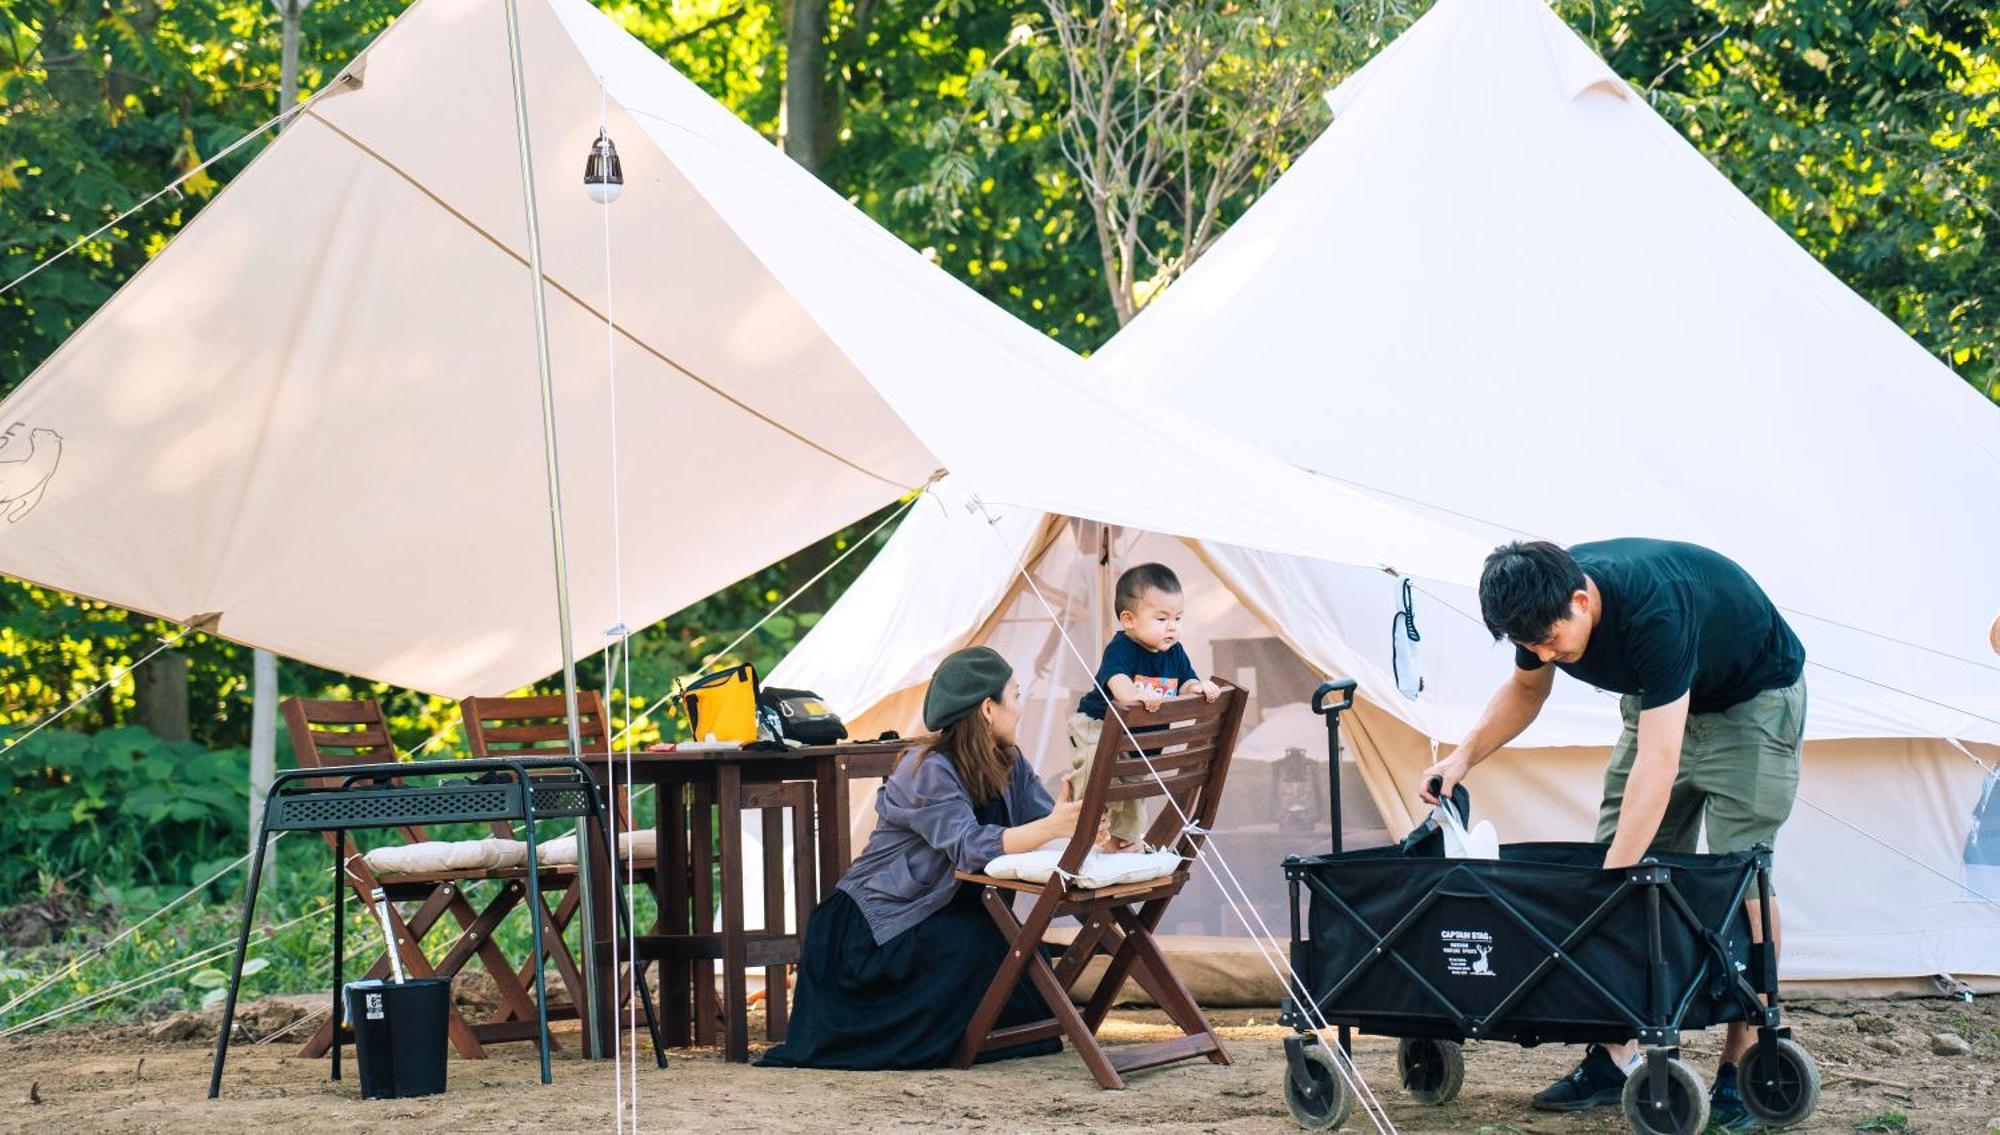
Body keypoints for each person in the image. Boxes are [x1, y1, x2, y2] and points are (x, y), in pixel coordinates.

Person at [1420, 539, 1806, 1131]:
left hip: (1751, 705)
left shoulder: (1656, 610)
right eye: (1531, 646)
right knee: (1618, 864)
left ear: (1581, 600)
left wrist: (1615, 876)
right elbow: (1527, 691)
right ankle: (1616, 1050)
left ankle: (1748, 1060)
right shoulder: (1540, 600)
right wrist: (1462, 759)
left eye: (1551, 640)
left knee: (1739, 875)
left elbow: (1660, 761)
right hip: (1659, 703)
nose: (1547, 653)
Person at [759, 646, 1083, 1070]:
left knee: (1018, 950)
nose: (1021, 710)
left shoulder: (1009, 760)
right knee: (985, 946)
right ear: (988, 708)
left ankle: (991, 1036)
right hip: (875, 931)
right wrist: (1051, 829)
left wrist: (1090, 834)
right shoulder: (925, 767)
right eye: (1017, 696)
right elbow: (968, 845)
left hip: (940, 915)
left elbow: (1045, 821)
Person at [1063, 563, 1220, 847]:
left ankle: (1123, 840)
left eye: (1178, 618)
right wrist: (1134, 693)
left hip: (1138, 741)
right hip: (1097, 726)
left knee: (1135, 789)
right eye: (1161, 619)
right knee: (1094, 773)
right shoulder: (1121, 648)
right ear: (1129, 620)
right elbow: (1117, 680)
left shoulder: (1175, 651)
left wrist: (1197, 688)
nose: (1172, 627)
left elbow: (1186, 681)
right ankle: (1084, 825)